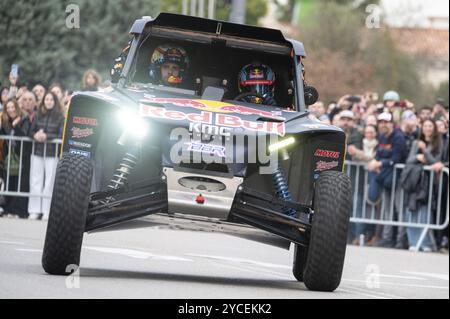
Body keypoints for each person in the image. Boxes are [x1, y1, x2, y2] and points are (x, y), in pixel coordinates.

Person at [367, 112, 407, 248]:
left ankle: (401, 240)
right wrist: (375, 161)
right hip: (387, 178)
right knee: (388, 209)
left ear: (391, 123)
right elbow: (378, 154)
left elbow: (396, 159)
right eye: (381, 122)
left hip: (399, 179)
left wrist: (379, 164)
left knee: (399, 208)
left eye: (386, 122)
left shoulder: (398, 137)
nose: (383, 124)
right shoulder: (383, 137)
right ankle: (388, 238)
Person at [402, 119, 443, 252]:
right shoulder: (416, 142)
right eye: (425, 125)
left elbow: (435, 162)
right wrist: (418, 158)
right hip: (415, 182)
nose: (427, 128)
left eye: (430, 125)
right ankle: (413, 243)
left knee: (425, 213)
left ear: (434, 128)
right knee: (411, 212)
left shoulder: (439, 143)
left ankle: (426, 243)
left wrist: (425, 151)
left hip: (428, 182)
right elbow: (409, 160)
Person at [28, 92, 65, 220]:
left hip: (51, 154)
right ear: (43, 101)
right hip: (37, 152)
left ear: (55, 102)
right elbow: (30, 131)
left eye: (51, 99)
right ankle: (34, 210)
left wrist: (46, 137)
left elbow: (61, 135)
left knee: (49, 183)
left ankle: (46, 211)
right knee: (35, 181)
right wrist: (35, 135)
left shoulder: (60, 117)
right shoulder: (38, 115)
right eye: (46, 99)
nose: (48, 102)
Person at [0, 99, 29, 218]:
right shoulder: (5, 122)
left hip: (22, 156)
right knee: (9, 183)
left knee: (19, 183)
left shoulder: (24, 119)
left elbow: (24, 135)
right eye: (8, 108)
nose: (11, 110)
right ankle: (7, 209)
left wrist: (15, 126)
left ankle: (17, 210)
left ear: (17, 107)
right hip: (9, 157)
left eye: (12, 107)